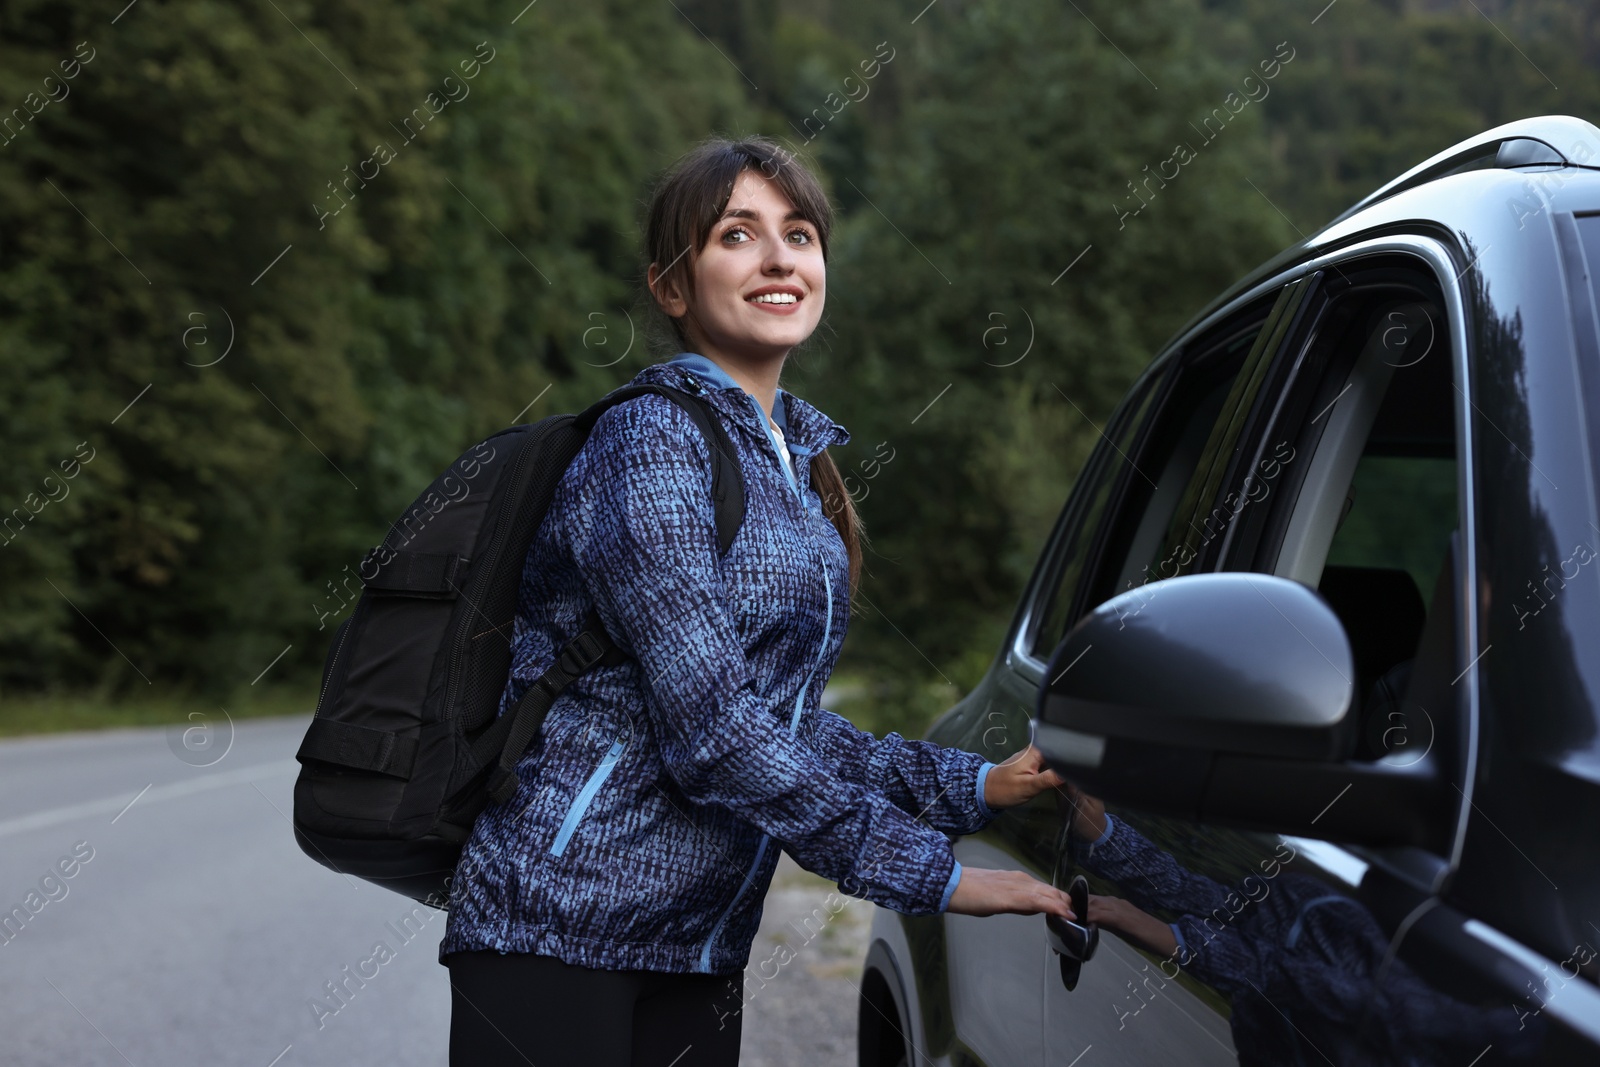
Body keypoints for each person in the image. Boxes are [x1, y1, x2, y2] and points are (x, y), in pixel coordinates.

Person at [436, 135, 1074, 1066]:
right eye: (738, 234)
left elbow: (783, 722)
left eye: (800, 233)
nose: (780, 257)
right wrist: (931, 875)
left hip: (696, 943)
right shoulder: (649, 445)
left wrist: (971, 785)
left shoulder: (797, 465)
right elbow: (714, 732)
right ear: (670, 286)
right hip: (557, 927)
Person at [1061, 786, 1542, 1065]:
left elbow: (1370, 1004)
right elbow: (1235, 913)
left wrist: (1176, 939)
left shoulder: (1517, 1026)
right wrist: (1104, 837)